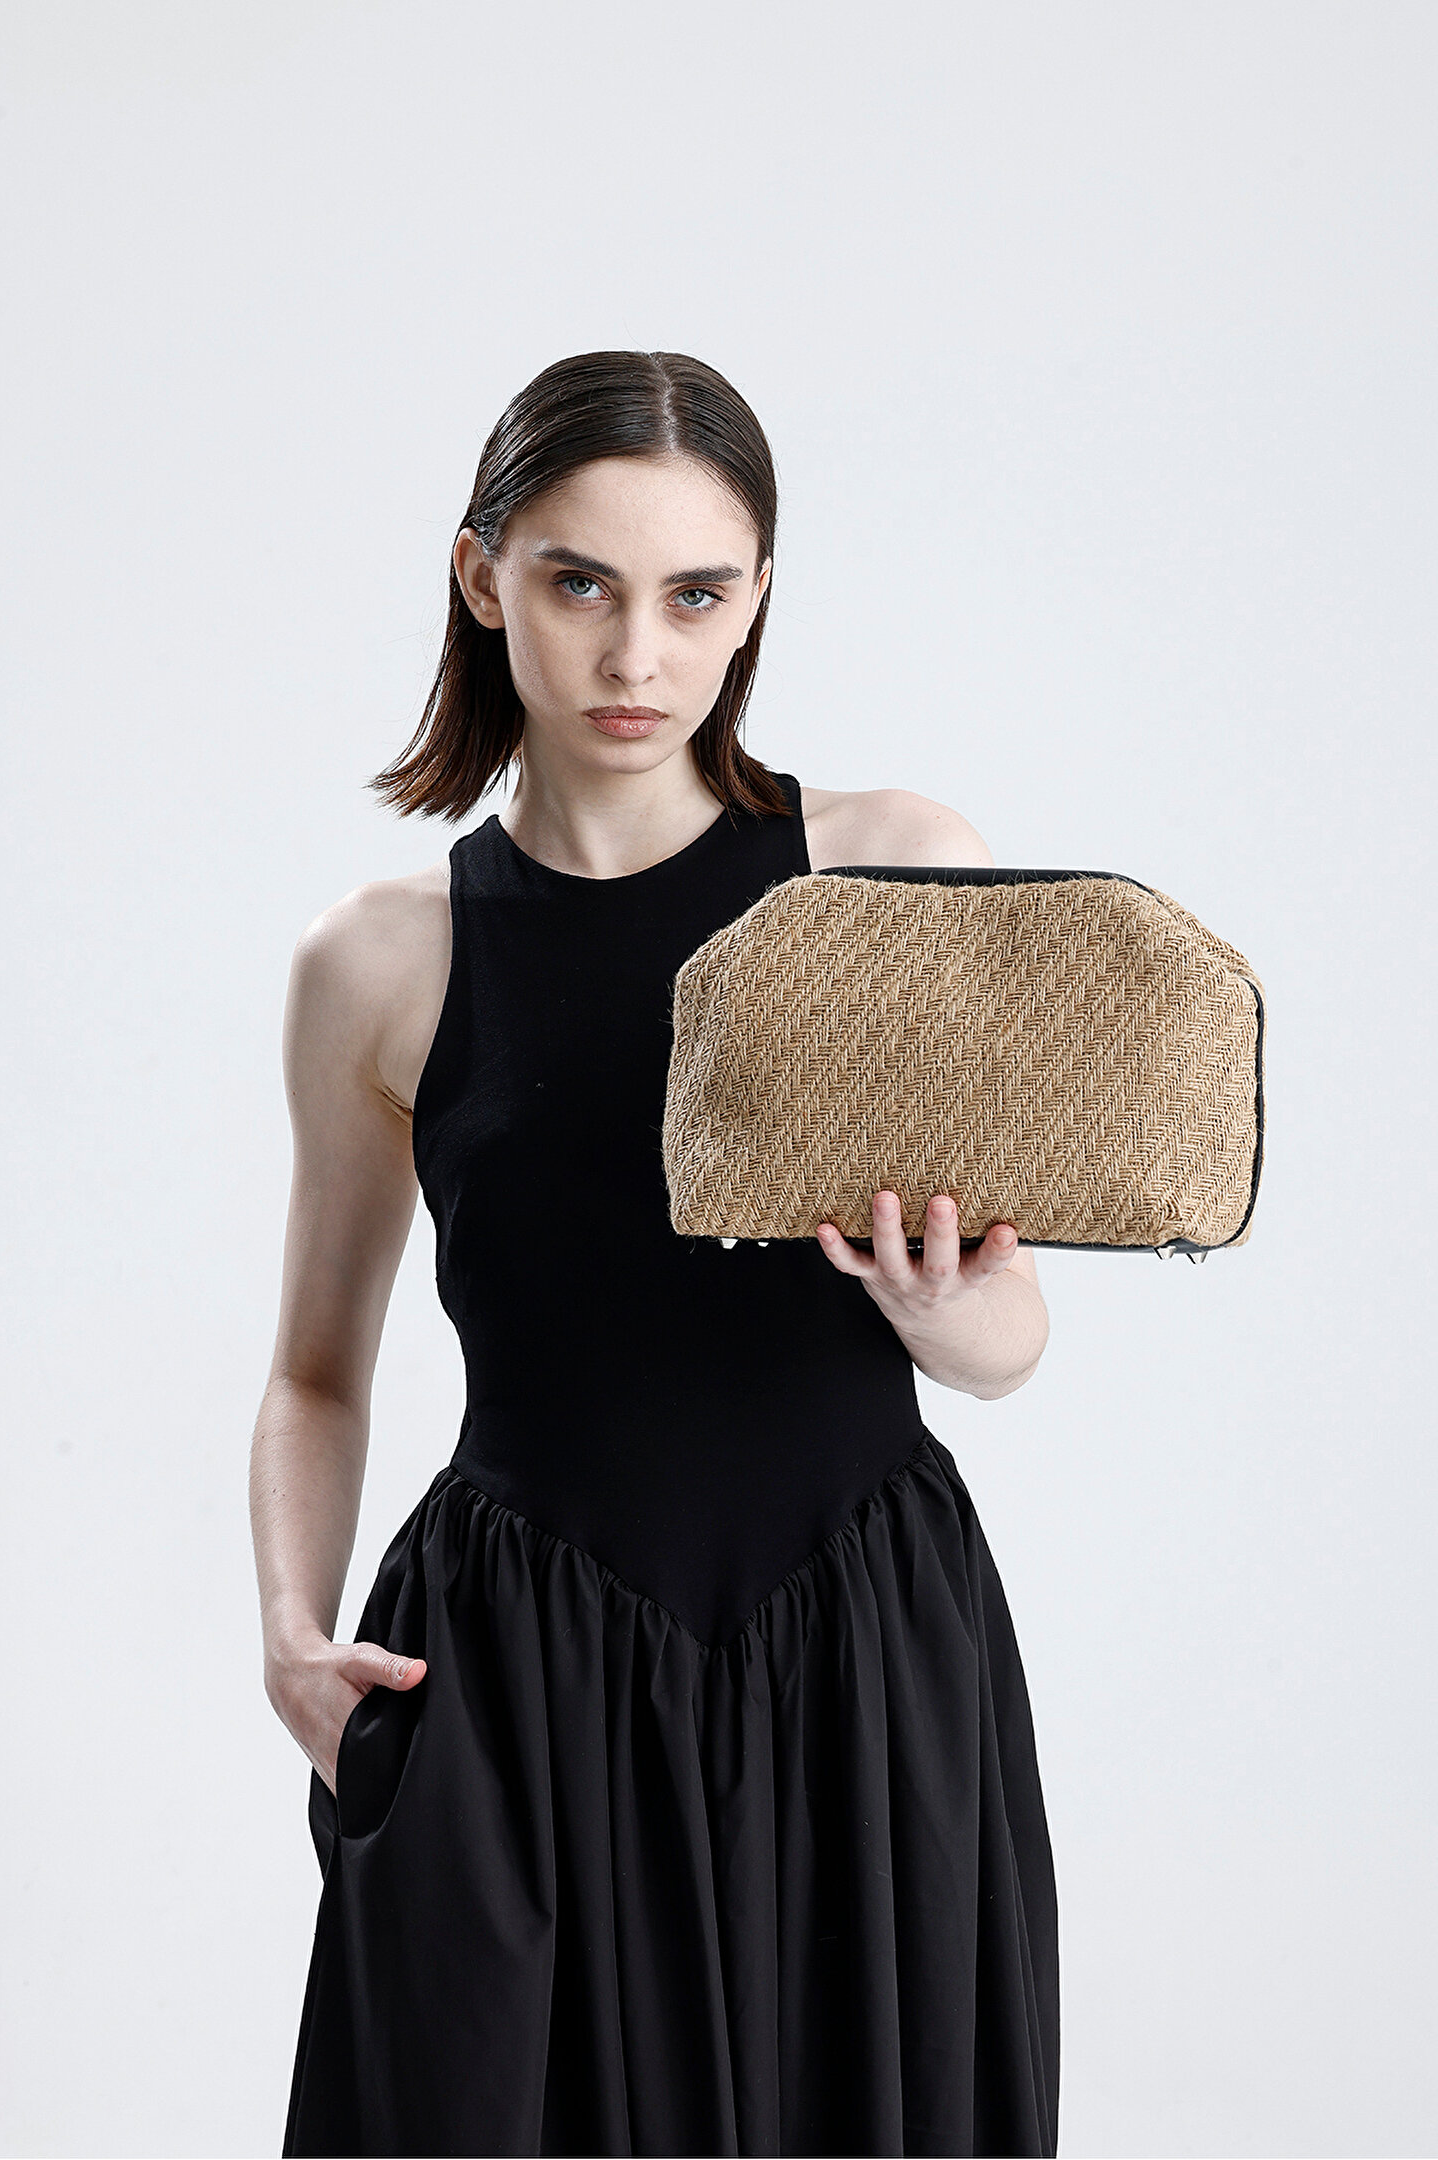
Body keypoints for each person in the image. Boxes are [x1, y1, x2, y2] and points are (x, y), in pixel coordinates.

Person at [250, 350, 1059, 2159]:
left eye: (695, 594)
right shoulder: (378, 959)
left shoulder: (894, 871)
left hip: (860, 1648)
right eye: (580, 584)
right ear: (484, 580)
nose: (637, 656)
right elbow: (313, 1368)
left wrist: (945, 1309)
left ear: (757, 596)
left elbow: (1012, 1336)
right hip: (516, 1681)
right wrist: (292, 1637)